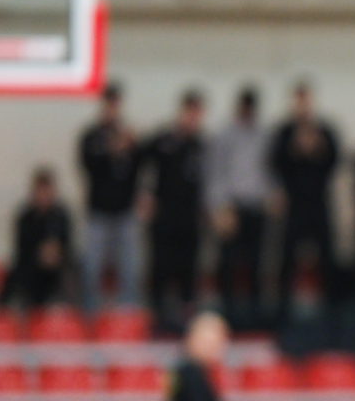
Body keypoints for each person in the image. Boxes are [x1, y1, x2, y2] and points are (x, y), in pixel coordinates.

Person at [268, 81, 340, 312]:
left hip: (319, 200)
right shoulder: (283, 132)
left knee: (327, 254)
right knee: (287, 255)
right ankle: (282, 306)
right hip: (293, 202)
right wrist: (295, 150)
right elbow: (274, 163)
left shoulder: (324, 130)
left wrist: (317, 148)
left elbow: (335, 161)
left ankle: (330, 305)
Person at [142, 90, 208, 332]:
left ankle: (186, 317)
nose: (192, 118)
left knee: (187, 269)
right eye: (189, 112)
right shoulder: (163, 139)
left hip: (190, 218)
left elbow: (208, 182)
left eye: (196, 114)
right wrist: (143, 195)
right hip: (164, 216)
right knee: (161, 266)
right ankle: (157, 317)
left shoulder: (201, 145)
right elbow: (139, 162)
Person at [207, 86, 273, 325]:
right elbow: (215, 172)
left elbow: (269, 169)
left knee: (256, 262)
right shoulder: (224, 135)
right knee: (228, 262)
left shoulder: (264, 135)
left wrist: (271, 194)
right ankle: (227, 312)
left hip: (255, 205)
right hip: (231, 207)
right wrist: (219, 207)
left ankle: (255, 313)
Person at [78, 83, 144, 313]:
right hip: (99, 211)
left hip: (125, 211)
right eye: (109, 104)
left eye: (115, 104)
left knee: (130, 266)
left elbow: (139, 170)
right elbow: (88, 167)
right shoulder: (91, 136)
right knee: (92, 265)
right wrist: (111, 150)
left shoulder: (129, 137)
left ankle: (127, 312)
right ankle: (90, 312)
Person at [0, 167, 73, 309]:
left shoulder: (61, 216)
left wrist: (55, 253)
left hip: (57, 269)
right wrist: (40, 253)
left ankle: (72, 313)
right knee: (18, 276)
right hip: (30, 269)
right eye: (40, 191)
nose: (43, 196)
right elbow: (21, 250)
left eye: (46, 191)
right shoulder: (25, 217)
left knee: (71, 273)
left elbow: (68, 246)